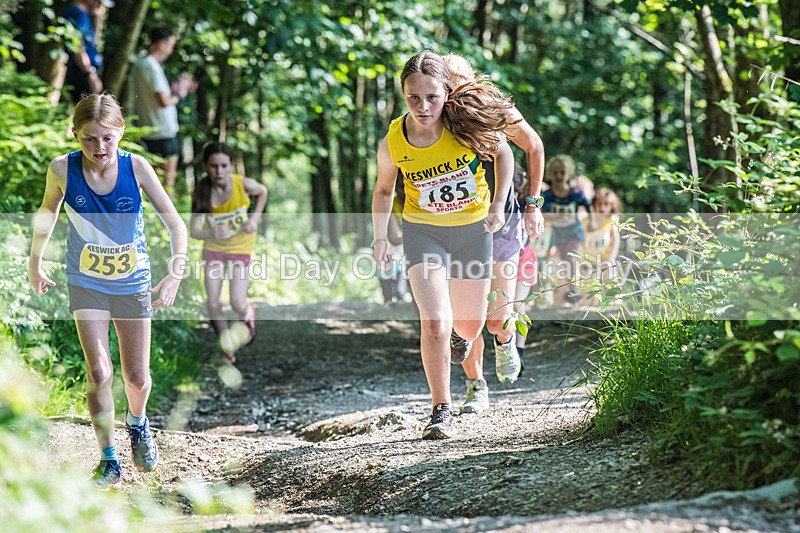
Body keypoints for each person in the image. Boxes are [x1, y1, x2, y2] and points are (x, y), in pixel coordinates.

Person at [28, 93, 187, 489]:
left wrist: (174, 274)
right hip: (87, 281)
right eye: (89, 139)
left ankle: (138, 421)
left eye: (107, 138)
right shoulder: (62, 169)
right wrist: (35, 261)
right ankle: (109, 460)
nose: (99, 147)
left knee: (138, 379)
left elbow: (176, 225)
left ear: (121, 133)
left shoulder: (138, 167)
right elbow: (47, 212)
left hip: (132, 282)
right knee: (99, 370)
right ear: (75, 134)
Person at [372, 51, 514, 440]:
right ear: (403, 95)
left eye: (432, 97)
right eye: (413, 98)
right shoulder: (395, 139)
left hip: (472, 231)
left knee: (469, 325)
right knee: (434, 321)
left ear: (446, 93)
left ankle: (459, 336)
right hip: (424, 232)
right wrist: (380, 237)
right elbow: (383, 190)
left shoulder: (463, 123)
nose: (423, 107)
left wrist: (499, 204)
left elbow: (504, 153)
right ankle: (441, 408)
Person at [442, 55, 546, 415]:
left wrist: (533, 203)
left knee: (497, 317)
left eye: (459, 78)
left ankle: (505, 340)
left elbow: (533, 146)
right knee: (464, 320)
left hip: (504, 223)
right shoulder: (433, 117)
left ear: (473, 80)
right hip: (458, 227)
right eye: (446, 82)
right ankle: (476, 386)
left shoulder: (493, 107)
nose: (453, 87)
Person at [190, 142, 267, 364]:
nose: (219, 171)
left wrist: (254, 219)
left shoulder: (242, 184)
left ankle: (247, 312)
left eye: (224, 166)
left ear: (231, 165)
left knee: (236, 302)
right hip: (214, 249)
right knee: (213, 303)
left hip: (240, 247)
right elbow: (194, 230)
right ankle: (227, 347)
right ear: (206, 166)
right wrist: (210, 232)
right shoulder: (202, 191)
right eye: (214, 166)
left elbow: (263, 192)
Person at [127, 27, 197, 198]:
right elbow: (163, 102)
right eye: (170, 45)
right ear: (161, 44)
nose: (170, 51)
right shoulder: (152, 66)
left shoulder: (139, 64)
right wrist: (180, 94)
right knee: (167, 185)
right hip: (163, 131)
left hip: (147, 129)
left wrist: (173, 92)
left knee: (150, 185)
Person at [542, 154, 591, 306]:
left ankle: (574, 288)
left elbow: (588, 205)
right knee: (564, 260)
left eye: (562, 172)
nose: (559, 176)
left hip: (574, 231)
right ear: (550, 174)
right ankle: (571, 289)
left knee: (571, 257)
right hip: (558, 232)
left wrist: (592, 221)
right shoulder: (547, 195)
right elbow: (542, 214)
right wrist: (555, 217)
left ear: (568, 174)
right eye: (555, 173)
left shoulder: (575, 193)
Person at [61, 0, 114, 104]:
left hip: (86, 71)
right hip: (80, 72)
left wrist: (97, 18)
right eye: (99, 3)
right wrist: (90, 73)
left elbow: (93, 42)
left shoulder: (83, 14)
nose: (100, 6)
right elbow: (77, 47)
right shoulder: (77, 13)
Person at [579, 187, 622, 305]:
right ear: (593, 205)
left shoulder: (611, 221)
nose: (603, 208)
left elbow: (615, 240)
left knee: (610, 276)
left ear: (612, 206)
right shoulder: (586, 221)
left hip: (605, 260)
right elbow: (581, 241)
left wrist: (611, 258)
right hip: (588, 261)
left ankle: (615, 304)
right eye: (599, 204)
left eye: (607, 204)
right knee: (588, 292)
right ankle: (588, 308)